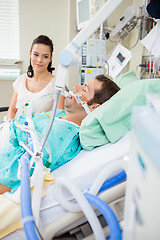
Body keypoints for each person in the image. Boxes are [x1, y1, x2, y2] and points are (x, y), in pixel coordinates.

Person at [0, 74, 120, 194]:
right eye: (82, 84)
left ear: (94, 107)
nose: (75, 88)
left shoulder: (62, 137)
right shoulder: (59, 113)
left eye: (84, 89)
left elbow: (20, 175)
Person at [7, 35, 56, 120]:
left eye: (45, 56)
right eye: (36, 55)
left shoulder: (57, 85)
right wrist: (13, 128)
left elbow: (60, 118)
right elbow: (12, 110)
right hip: (15, 127)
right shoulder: (21, 80)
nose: (39, 60)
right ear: (30, 54)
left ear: (50, 58)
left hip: (40, 132)